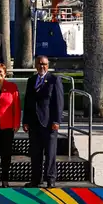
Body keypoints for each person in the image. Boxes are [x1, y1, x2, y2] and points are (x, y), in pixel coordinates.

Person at [23, 55, 64, 188]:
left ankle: (50, 179)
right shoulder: (31, 80)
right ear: (35, 65)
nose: (42, 66)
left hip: (49, 122)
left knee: (50, 153)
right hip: (34, 123)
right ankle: (36, 179)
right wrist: (26, 120)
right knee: (35, 153)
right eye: (40, 64)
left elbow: (58, 102)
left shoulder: (54, 80)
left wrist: (57, 120)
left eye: (44, 64)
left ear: (48, 65)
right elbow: (28, 101)